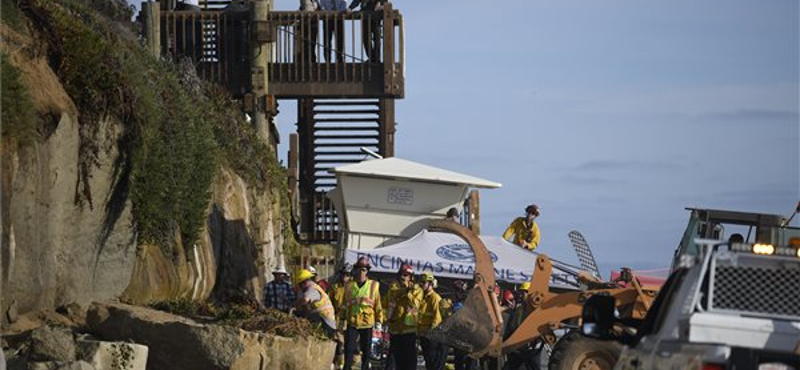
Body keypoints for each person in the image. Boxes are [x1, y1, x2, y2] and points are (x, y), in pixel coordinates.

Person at [343, 256, 384, 370]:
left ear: (367, 271)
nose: (361, 271)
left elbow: (377, 304)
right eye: (359, 268)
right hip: (353, 321)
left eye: (364, 269)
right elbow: (344, 304)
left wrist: (379, 321)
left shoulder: (373, 285)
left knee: (366, 351)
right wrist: (341, 320)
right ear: (355, 269)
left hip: (367, 322)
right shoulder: (349, 285)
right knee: (349, 349)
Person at [386, 263, 423, 370]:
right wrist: (406, 290)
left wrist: (409, 293)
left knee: (410, 362)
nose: (403, 277)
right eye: (401, 274)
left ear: (411, 277)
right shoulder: (394, 285)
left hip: (409, 330)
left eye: (406, 275)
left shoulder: (418, 289)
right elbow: (393, 294)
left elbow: (414, 304)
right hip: (396, 330)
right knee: (397, 361)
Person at [295, 268, 337, 337]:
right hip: (325, 319)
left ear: (304, 283)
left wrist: (295, 305)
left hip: (325, 321)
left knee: (327, 341)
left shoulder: (311, 289)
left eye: (299, 285)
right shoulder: (314, 287)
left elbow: (305, 299)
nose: (300, 287)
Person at [418, 273, 447, 370]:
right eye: (420, 282)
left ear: (430, 283)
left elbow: (437, 319)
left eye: (424, 282)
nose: (421, 284)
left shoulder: (435, 298)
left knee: (433, 363)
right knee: (429, 363)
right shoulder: (422, 297)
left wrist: (431, 334)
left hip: (431, 337)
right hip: (423, 335)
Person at [330, 263, 353, 369]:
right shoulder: (335, 287)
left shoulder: (354, 288)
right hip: (337, 320)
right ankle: (337, 364)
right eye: (343, 274)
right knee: (338, 343)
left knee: (350, 345)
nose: (345, 277)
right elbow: (329, 303)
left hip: (351, 321)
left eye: (347, 274)